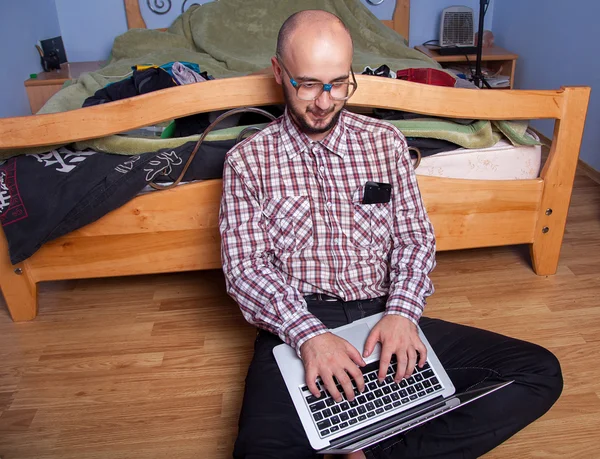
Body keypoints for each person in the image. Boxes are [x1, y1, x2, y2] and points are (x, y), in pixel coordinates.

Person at [218, 10, 563, 459]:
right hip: (297, 325)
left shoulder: (386, 143)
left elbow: (415, 240)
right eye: (307, 83)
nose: (324, 101)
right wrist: (310, 337)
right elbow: (245, 269)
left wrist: (402, 313)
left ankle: (371, 451)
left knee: (538, 372)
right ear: (278, 71)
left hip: (386, 316)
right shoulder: (247, 160)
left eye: (338, 82)